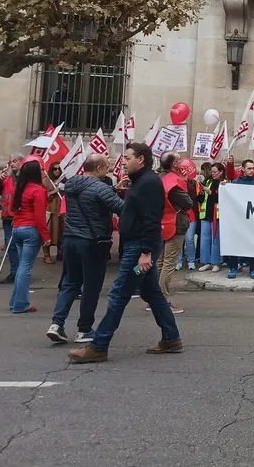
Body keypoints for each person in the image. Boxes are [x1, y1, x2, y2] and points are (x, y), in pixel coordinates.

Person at [69, 142, 182, 363]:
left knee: (119, 294)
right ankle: (171, 337)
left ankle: (99, 345)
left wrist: (146, 252)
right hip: (136, 244)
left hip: (139, 247)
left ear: (140, 159)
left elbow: (151, 219)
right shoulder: (140, 181)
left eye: (128, 157)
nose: (124, 161)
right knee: (152, 294)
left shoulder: (149, 183)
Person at [46, 154, 124, 344]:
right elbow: (121, 207)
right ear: (98, 169)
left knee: (69, 282)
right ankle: (84, 329)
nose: (109, 170)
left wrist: (113, 188)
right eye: (106, 167)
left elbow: (89, 196)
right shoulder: (100, 187)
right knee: (91, 286)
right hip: (92, 241)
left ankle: (56, 324)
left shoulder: (72, 184)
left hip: (70, 239)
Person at [9, 158, 50, 314]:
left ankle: (16, 301)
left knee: (21, 267)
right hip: (31, 229)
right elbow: (40, 217)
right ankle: (20, 304)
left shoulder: (17, 188)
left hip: (18, 228)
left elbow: (13, 209)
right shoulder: (38, 190)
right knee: (25, 268)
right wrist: (46, 236)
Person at [157, 151, 193, 310]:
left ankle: (154, 298)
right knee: (168, 263)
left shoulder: (157, 178)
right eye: (179, 161)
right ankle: (161, 300)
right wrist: (184, 185)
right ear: (174, 165)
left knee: (160, 262)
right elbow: (187, 202)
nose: (182, 163)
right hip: (174, 224)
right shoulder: (173, 182)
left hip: (160, 223)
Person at [226, 159, 254, 280]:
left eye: (253, 168)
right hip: (238, 219)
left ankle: (253, 269)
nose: (252, 170)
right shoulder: (236, 182)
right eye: (249, 168)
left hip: (253, 220)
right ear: (243, 169)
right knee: (235, 244)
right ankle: (233, 268)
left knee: (253, 245)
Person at [0, 154, 23, 283]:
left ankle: (21, 272)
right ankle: (14, 272)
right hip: (7, 216)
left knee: (19, 245)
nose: (12, 164)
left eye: (14, 161)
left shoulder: (24, 178)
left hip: (19, 217)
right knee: (11, 245)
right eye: (9, 162)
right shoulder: (6, 178)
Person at [197, 162, 225, 272]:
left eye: (215, 172)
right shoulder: (208, 181)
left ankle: (216, 262)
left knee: (215, 239)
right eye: (212, 172)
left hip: (216, 215)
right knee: (204, 239)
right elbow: (201, 199)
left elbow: (220, 198)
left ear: (221, 172)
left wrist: (210, 193)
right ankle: (206, 261)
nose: (212, 174)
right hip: (205, 214)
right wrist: (200, 192)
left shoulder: (223, 183)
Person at [43, 161, 65, 264]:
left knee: (61, 231)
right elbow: (42, 196)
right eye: (55, 169)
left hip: (61, 209)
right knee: (49, 231)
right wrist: (53, 191)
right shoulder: (46, 181)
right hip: (50, 209)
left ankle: (60, 253)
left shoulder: (64, 181)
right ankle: (46, 255)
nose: (57, 171)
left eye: (59, 169)